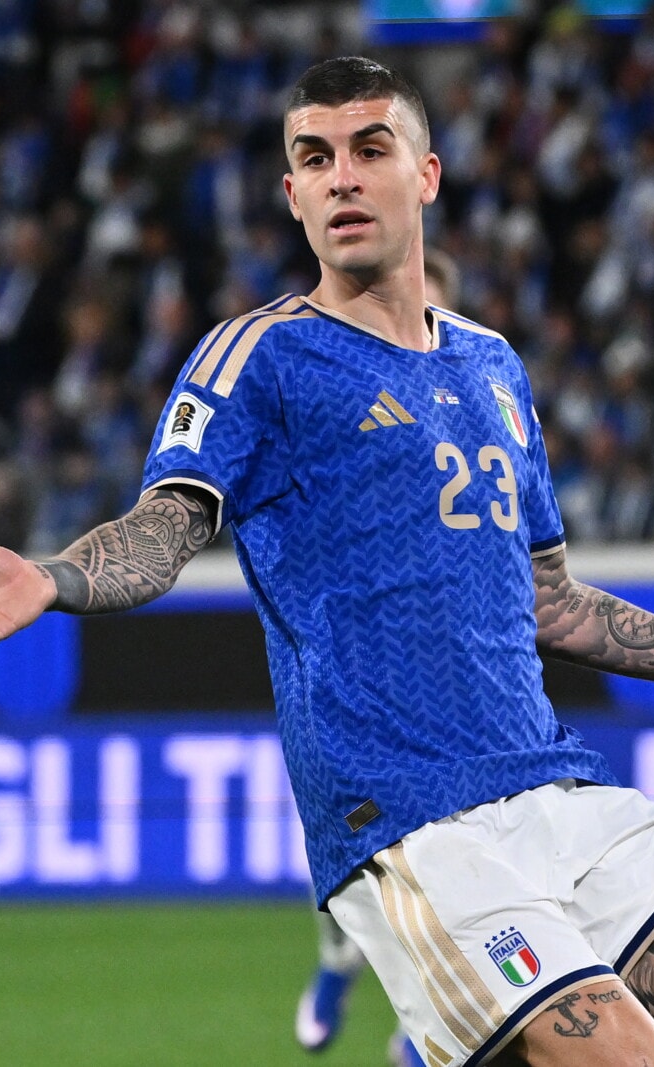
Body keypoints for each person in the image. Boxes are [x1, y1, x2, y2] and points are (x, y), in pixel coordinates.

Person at [0, 57, 654, 1067]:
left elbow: (550, 602)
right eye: (314, 159)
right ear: (292, 195)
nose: (342, 178)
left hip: (553, 786)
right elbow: (166, 524)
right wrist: (53, 577)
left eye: (370, 149)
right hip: (410, 821)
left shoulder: (492, 366)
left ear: (427, 174)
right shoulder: (260, 358)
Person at [295, 246, 462, 1067]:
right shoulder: (336, 391)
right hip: (357, 679)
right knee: (355, 864)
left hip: (455, 685)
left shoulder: (478, 388)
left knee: (456, 871)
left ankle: (425, 1029)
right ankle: (338, 967)